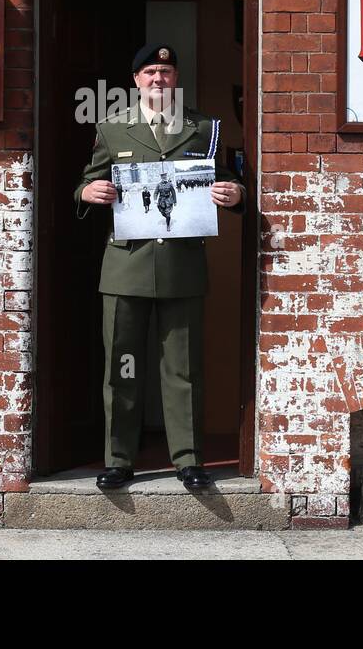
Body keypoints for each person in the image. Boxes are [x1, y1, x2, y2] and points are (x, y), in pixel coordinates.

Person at [74, 43, 245, 492]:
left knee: (182, 369)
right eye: (149, 71)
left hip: (181, 266)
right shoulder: (113, 128)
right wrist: (87, 194)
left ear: (176, 79)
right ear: (136, 80)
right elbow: (88, 180)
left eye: (166, 72)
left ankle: (188, 460)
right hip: (126, 267)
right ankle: (119, 459)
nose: (158, 79)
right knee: (123, 366)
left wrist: (235, 195)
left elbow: (228, 177)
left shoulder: (203, 127)